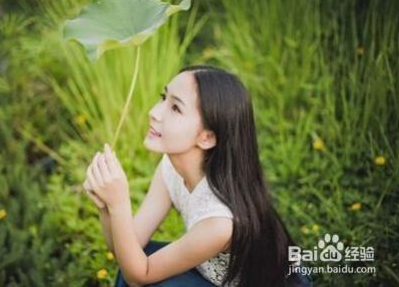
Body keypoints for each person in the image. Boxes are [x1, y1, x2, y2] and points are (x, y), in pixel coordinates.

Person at [84, 65, 313, 286]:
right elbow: (126, 246)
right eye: (164, 98)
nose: (153, 113)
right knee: (133, 257)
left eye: (175, 108)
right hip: (205, 271)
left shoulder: (220, 221)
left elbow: (139, 275)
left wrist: (120, 204)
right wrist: (107, 206)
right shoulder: (170, 167)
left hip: (272, 282)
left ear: (207, 137)